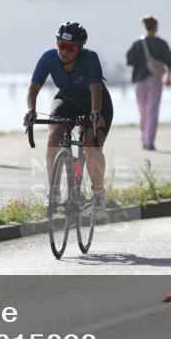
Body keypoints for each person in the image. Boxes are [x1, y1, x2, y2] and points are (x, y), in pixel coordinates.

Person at [23, 22, 113, 222]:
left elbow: (96, 87)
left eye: (69, 48)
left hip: (94, 101)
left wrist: (95, 113)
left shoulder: (90, 58)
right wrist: (31, 110)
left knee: (91, 148)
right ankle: (53, 192)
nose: (63, 51)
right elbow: (33, 88)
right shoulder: (48, 58)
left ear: (78, 49)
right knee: (54, 133)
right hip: (66, 100)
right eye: (60, 45)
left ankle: (98, 194)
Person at [125, 15, 171, 150]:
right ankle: (149, 142)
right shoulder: (161, 43)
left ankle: (143, 137)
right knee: (153, 110)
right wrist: (168, 77)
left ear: (146, 27)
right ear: (156, 28)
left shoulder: (137, 44)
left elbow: (129, 60)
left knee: (143, 112)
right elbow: (169, 61)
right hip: (155, 80)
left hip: (139, 81)